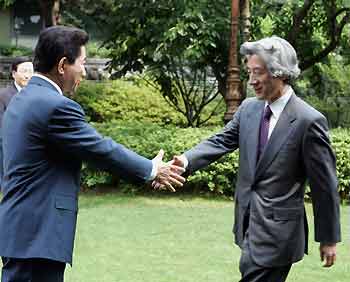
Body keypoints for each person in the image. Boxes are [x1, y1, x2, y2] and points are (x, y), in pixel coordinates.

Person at [0, 26, 185, 282]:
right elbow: (99, 148)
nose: (84, 72)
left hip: (21, 232)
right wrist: (152, 169)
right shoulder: (54, 106)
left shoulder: (22, 99)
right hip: (37, 236)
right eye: (82, 63)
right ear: (63, 65)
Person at [154, 36, 341, 281]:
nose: (251, 80)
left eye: (258, 72)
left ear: (279, 73)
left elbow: (324, 185)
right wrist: (186, 161)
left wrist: (328, 238)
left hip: (279, 234)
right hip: (248, 224)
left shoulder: (308, 121)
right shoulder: (249, 109)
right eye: (249, 71)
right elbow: (220, 141)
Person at [0, 58, 34, 188]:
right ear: (14, 74)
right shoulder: (3, 95)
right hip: (9, 149)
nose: (27, 75)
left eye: (31, 71)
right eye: (24, 71)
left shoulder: (37, 94)